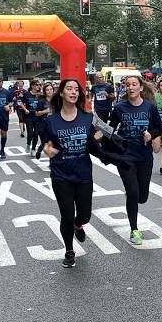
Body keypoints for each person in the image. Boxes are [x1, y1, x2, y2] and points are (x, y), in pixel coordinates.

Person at [39, 79, 110, 267]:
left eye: (76, 89)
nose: (73, 92)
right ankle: (69, 250)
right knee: (67, 214)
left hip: (83, 173)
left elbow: (107, 133)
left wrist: (100, 137)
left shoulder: (88, 117)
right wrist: (48, 150)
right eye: (69, 89)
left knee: (84, 215)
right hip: (61, 175)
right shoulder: (50, 121)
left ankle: (79, 225)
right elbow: (46, 144)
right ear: (61, 93)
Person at [109, 74, 162, 246]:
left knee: (142, 197)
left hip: (144, 156)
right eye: (127, 85)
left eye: (134, 84)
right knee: (132, 192)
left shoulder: (149, 107)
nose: (130, 87)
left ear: (141, 88)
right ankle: (134, 230)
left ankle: (134, 195)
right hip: (125, 156)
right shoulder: (119, 107)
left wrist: (151, 135)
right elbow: (110, 127)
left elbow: (158, 127)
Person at [34, 82, 55, 159]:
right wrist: (44, 111)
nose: (49, 91)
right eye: (47, 90)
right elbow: (36, 113)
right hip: (42, 125)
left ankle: (52, 160)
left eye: (51, 89)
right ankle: (40, 150)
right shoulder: (41, 102)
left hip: (53, 125)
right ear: (45, 91)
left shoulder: (56, 101)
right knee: (45, 142)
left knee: (52, 142)